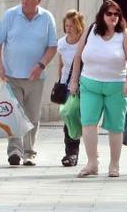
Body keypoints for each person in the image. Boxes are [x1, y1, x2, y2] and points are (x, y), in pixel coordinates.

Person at [68, 0, 127, 178]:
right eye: (109, 14)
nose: (113, 17)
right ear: (102, 15)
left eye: (116, 14)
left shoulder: (124, 34)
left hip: (116, 86)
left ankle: (114, 165)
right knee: (88, 123)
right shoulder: (91, 30)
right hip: (90, 84)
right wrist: (74, 81)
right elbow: (78, 56)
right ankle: (92, 163)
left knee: (116, 126)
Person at [0, 0, 58, 166]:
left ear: (38, 0)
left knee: (32, 117)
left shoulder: (46, 18)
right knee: (14, 114)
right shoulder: (10, 15)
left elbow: (52, 46)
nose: (25, 0)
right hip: (12, 76)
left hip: (35, 78)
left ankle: (29, 152)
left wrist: (41, 65)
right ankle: (14, 151)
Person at [56, 10, 86, 167]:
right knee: (68, 116)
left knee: (85, 119)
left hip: (85, 86)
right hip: (67, 86)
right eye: (66, 25)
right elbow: (60, 64)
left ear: (79, 26)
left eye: (72, 25)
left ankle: (90, 152)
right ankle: (71, 153)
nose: (69, 28)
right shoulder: (61, 43)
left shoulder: (85, 42)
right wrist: (60, 83)